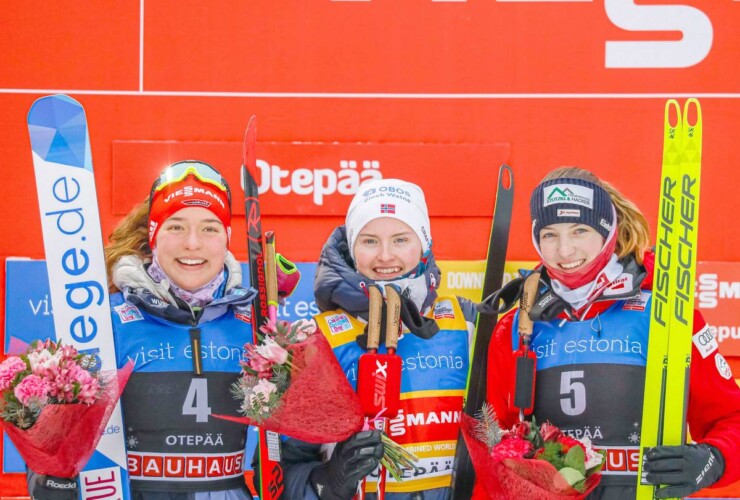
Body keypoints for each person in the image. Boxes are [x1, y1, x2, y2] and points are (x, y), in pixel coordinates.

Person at [484, 166, 740, 499]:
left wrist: (714, 460)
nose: (565, 251)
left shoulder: (665, 314)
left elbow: (731, 417)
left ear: (608, 232)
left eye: (579, 231)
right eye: (550, 234)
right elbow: (492, 445)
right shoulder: (517, 327)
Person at [29, 160, 259, 500]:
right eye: (176, 227)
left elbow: (289, 459)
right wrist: (55, 483)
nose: (192, 243)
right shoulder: (103, 321)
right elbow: (50, 453)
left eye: (210, 228)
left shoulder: (256, 328)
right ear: (153, 236)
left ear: (226, 239)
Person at [280, 179, 477, 499]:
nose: (385, 256)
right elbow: (281, 473)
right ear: (353, 248)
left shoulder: (466, 323)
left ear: (424, 245)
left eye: (401, 239)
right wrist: (326, 483)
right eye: (370, 241)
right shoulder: (316, 342)